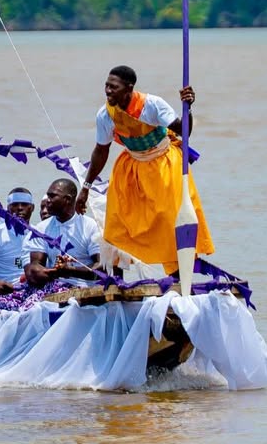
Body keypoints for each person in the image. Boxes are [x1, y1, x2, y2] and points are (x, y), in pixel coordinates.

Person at [74, 65, 214, 274]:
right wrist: (85, 187)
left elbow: (185, 131)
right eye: (106, 86)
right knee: (117, 221)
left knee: (169, 219)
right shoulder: (105, 115)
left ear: (129, 88)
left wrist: (188, 107)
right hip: (131, 166)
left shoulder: (152, 104)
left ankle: (177, 276)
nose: (108, 91)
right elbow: (101, 151)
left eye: (114, 87)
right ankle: (116, 278)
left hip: (164, 163)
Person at [25, 179, 102, 302]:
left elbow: (102, 266)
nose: (47, 200)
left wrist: (71, 271)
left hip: (87, 291)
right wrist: (42, 271)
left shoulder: (90, 226)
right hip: (54, 290)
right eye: (48, 196)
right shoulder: (41, 228)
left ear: (68, 199)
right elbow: (35, 264)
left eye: (52, 196)